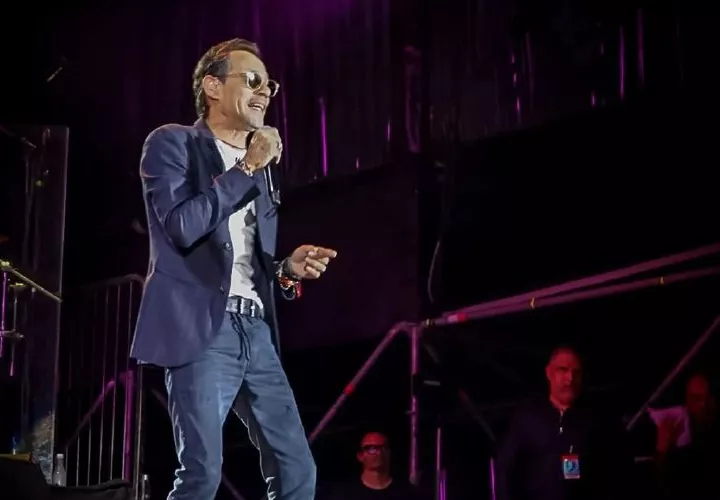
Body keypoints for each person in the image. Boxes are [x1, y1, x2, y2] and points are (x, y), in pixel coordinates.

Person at [130, 38, 337, 500]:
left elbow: (246, 260)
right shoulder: (173, 143)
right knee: (202, 474)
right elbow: (182, 227)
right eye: (252, 80)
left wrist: (285, 269)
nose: (264, 92)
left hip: (256, 329)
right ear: (212, 86)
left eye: (269, 85)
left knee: (297, 470)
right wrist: (247, 166)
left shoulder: (262, 169)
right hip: (201, 326)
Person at [495, 346, 629, 500]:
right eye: (563, 370)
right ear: (549, 373)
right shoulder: (527, 418)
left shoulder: (597, 420)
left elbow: (617, 470)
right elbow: (506, 469)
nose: (570, 378)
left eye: (576, 372)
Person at [321, 432, 424, 500]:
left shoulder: (407, 493)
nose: (378, 453)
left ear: (389, 453)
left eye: (383, 448)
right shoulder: (343, 493)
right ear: (360, 456)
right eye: (371, 448)